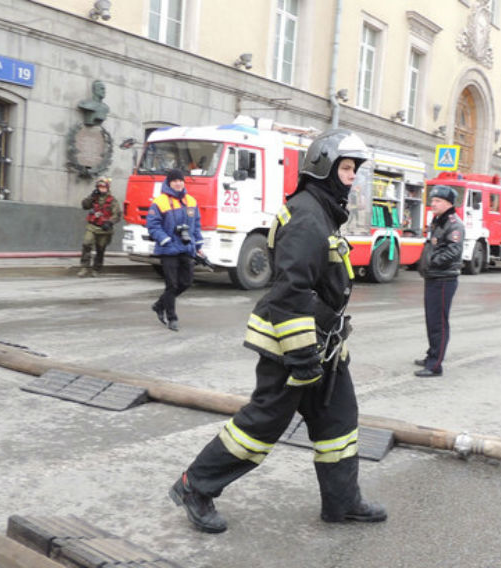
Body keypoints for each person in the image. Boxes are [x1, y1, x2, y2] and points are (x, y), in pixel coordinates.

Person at [168, 129, 386, 534]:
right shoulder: (307, 215)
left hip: (324, 347)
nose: (352, 177)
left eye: (355, 169)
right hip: (294, 350)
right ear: (323, 168)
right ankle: (194, 486)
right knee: (262, 425)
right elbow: (291, 293)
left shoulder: (321, 210)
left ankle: (342, 502)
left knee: (339, 422)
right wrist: (303, 359)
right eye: (346, 168)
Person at [413, 185, 464, 377]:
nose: (432, 204)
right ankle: (431, 355)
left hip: (444, 278)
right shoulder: (438, 220)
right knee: (431, 320)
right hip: (434, 276)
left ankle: (435, 366)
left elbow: (453, 251)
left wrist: (432, 263)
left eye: (437, 201)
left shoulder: (454, 224)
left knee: (438, 323)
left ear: (448, 203)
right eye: (432, 200)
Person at [145, 168, 205, 331]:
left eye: (180, 180)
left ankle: (159, 305)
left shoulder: (191, 201)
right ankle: (172, 318)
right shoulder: (160, 202)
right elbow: (152, 225)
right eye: (175, 181)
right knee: (172, 285)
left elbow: (196, 225)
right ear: (169, 183)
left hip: (186, 248)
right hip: (168, 250)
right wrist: (165, 240)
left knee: (186, 282)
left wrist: (198, 245)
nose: (178, 183)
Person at [78, 177, 121, 277]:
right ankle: (84, 267)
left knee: (100, 249)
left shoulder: (112, 200)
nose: (101, 189)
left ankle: (97, 268)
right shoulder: (94, 197)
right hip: (92, 226)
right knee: (86, 244)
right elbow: (85, 205)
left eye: (103, 187)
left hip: (104, 229)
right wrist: (91, 197)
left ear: (107, 187)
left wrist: (109, 222)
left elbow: (117, 214)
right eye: (99, 187)